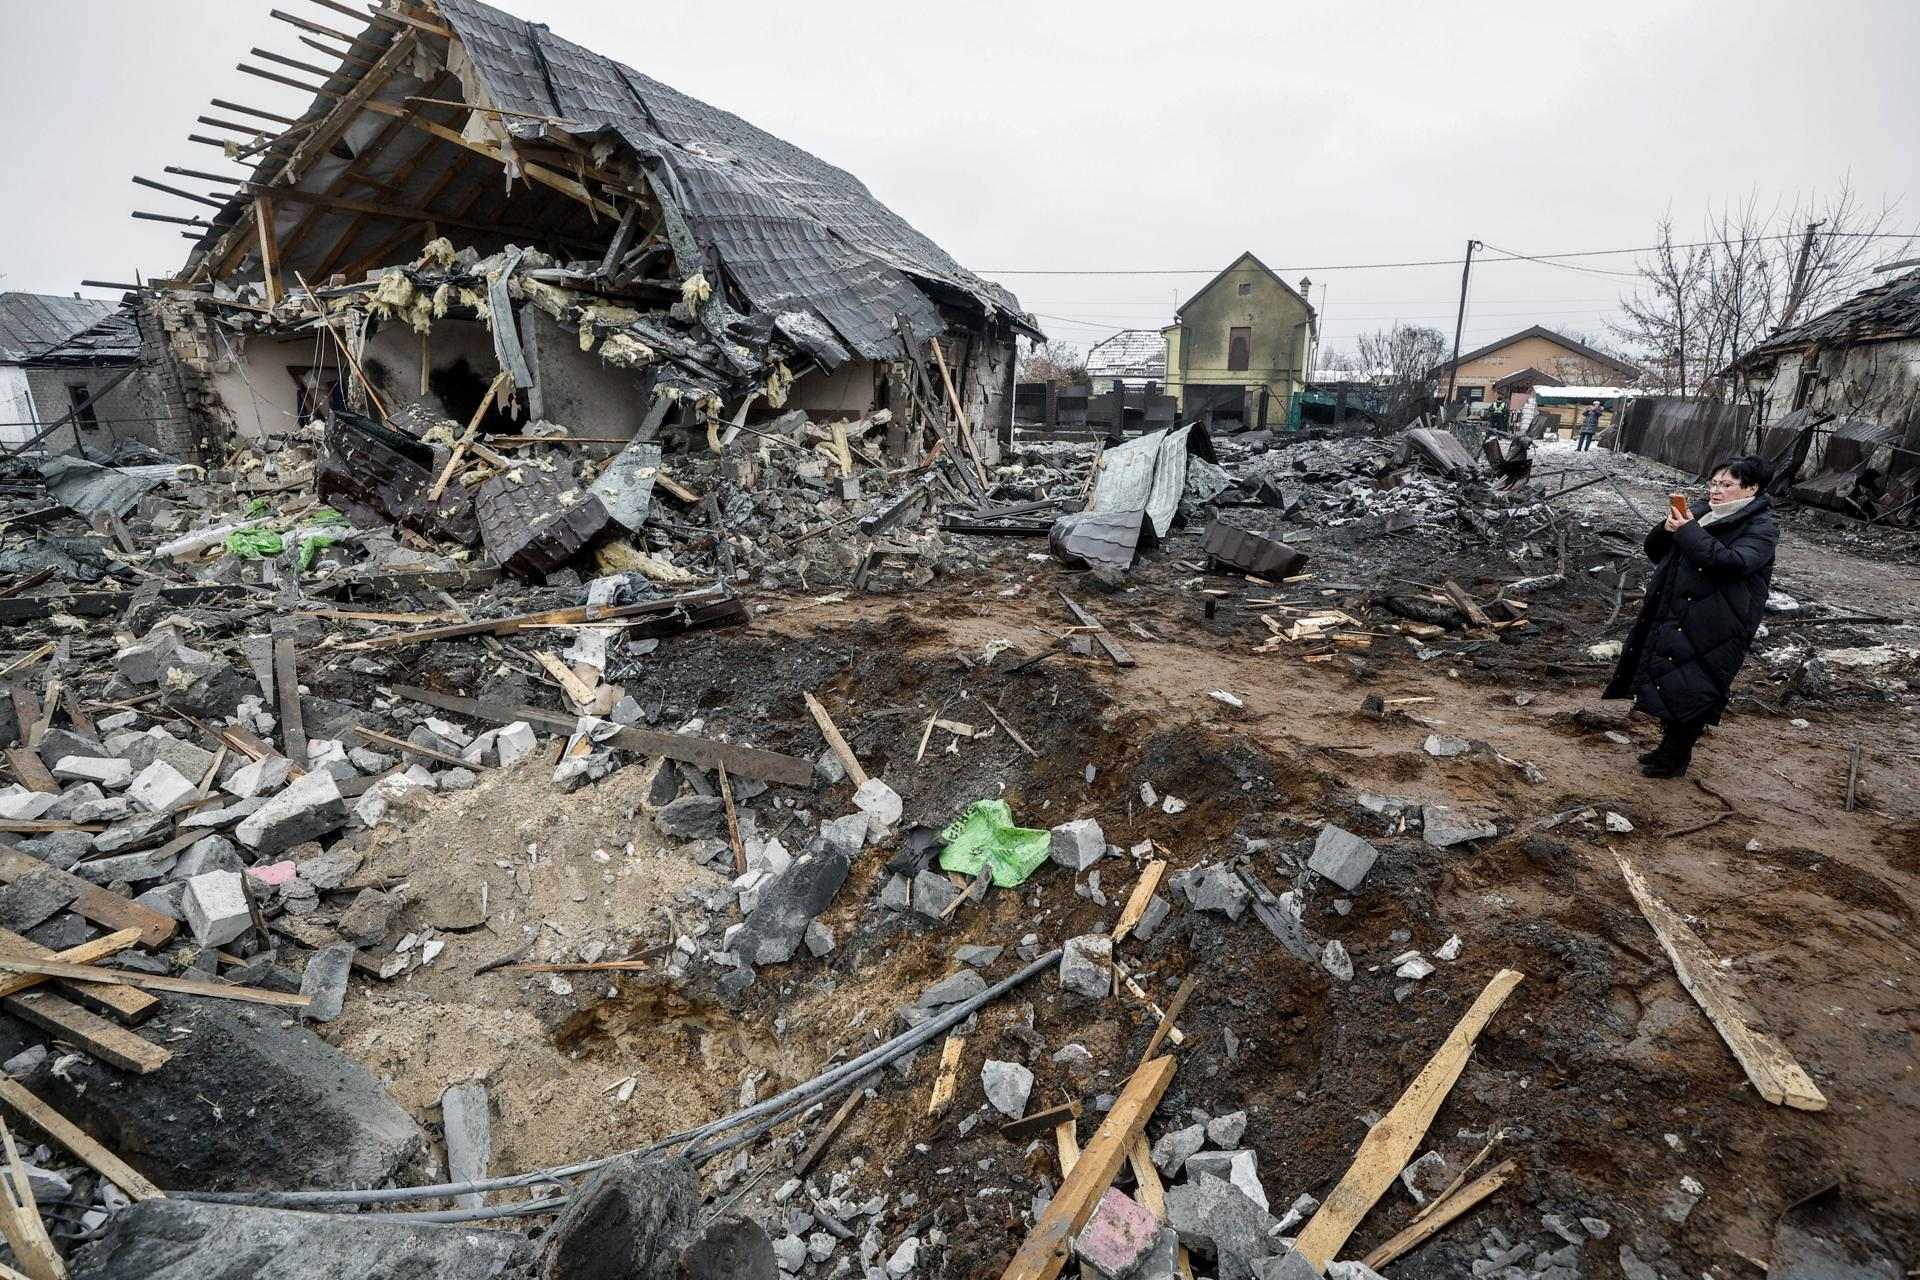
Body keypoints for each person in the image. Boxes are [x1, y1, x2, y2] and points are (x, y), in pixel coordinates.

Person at [1603, 455, 1779, 778]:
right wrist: (1667, 529)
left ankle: (1676, 756)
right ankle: (1667, 748)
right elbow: (1658, 553)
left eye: (1727, 485)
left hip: (1719, 622)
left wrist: (1687, 532)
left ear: (1752, 489)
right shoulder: (1701, 512)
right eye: (1713, 483)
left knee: (1694, 687)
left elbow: (1732, 563)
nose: (1716, 491)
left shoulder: (1761, 527)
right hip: (1677, 611)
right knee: (1669, 680)